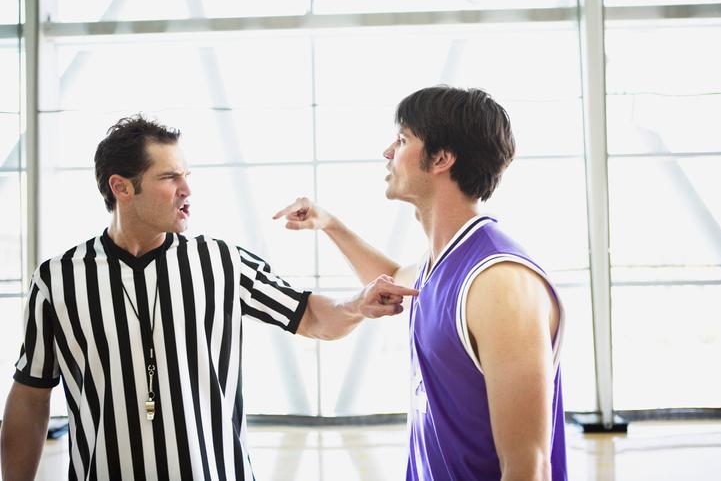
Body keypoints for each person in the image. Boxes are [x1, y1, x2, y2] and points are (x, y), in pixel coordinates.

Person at [0, 115, 417, 481]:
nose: (187, 190)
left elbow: (311, 316)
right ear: (121, 187)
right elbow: (32, 393)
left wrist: (357, 305)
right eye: (169, 178)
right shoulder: (56, 280)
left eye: (186, 175)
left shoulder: (220, 260)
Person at [273, 86, 567, 480]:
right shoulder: (437, 267)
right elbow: (393, 281)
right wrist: (329, 224)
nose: (387, 152)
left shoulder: (499, 283)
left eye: (402, 139)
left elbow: (528, 465)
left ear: (442, 158)